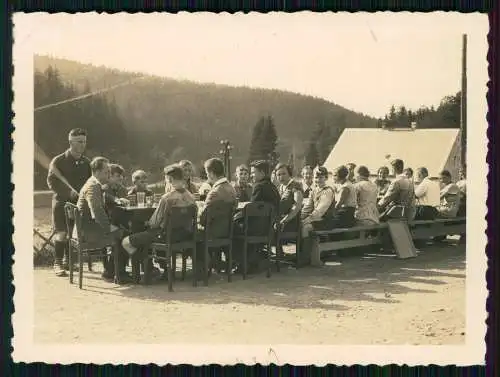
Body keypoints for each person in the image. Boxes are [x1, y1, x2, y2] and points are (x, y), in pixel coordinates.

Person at [121, 165, 196, 278]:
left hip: (164, 236)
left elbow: (154, 223)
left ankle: (146, 270)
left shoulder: (166, 199)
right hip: (183, 235)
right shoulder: (191, 197)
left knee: (126, 242)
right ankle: (155, 268)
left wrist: (146, 223)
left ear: (169, 179)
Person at [76, 157, 130, 282]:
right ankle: (115, 273)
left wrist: (115, 200)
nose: (108, 175)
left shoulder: (93, 183)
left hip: (85, 227)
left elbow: (103, 198)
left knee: (122, 231)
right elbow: (97, 211)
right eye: (106, 172)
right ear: (97, 172)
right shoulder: (93, 186)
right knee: (125, 235)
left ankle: (112, 270)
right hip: (88, 231)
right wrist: (109, 227)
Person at [47, 128, 91, 276]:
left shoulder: (86, 163)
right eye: (79, 142)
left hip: (78, 204)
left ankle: (68, 261)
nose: (82, 145)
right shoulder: (58, 161)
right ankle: (57, 263)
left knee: (73, 234)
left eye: (84, 142)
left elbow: (90, 182)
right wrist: (68, 192)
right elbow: (51, 182)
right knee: (62, 234)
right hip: (61, 203)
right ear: (70, 142)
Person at [233, 160, 280, 273]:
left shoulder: (258, 187)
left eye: (254, 172)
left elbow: (250, 209)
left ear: (262, 173)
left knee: (232, 228)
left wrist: (235, 217)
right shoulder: (274, 188)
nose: (252, 175)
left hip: (254, 229)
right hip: (268, 229)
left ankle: (241, 263)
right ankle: (252, 261)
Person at [197, 158, 237, 274]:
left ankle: (201, 269)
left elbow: (203, 219)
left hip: (212, 233)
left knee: (191, 233)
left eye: (207, 173)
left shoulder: (214, 192)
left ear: (211, 173)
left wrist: (199, 209)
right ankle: (215, 263)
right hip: (227, 231)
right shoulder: (232, 189)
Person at [301, 166, 336, 267]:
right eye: (316, 177)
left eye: (321, 177)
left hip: (327, 220)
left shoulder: (328, 191)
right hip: (317, 220)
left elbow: (321, 209)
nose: (318, 180)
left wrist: (308, 219)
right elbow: (307, 207)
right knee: (300, 224)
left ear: (326, 178)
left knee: (306, 228)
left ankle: (305, 258)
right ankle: (304, 254)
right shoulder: (314, 190)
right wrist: (300, 217)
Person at [274, 163, 303, 231]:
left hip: (291, 221)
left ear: (289, 173)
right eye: (278, 175)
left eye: (284, 174)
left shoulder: (296, 186)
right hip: (281, 219)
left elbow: (297, 206)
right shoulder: (280, 187)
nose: (281, 177)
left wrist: (284, 220)